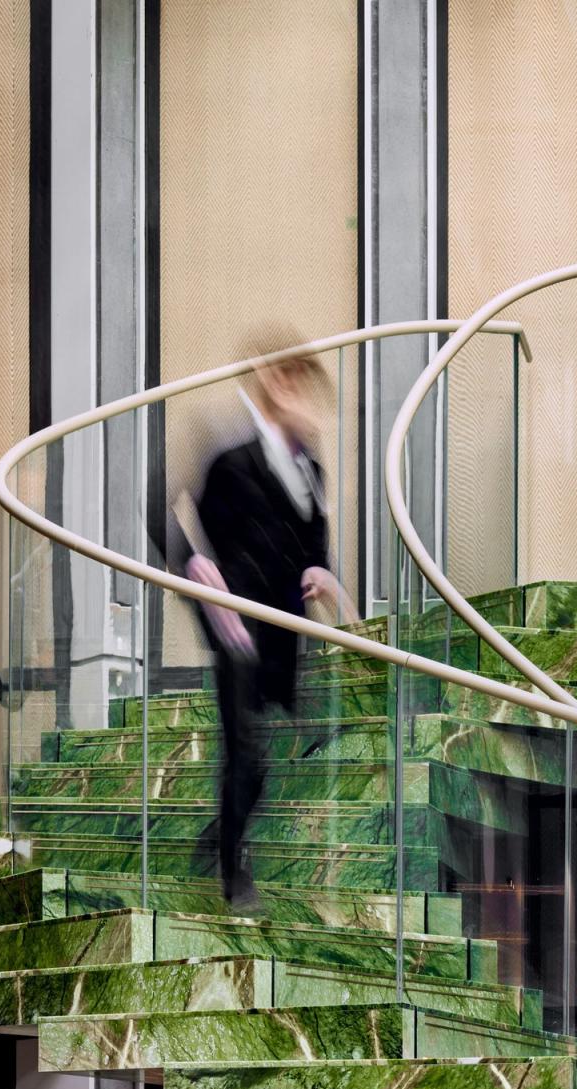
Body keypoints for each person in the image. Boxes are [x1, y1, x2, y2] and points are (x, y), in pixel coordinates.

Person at [175, 333, 355, 909]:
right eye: (301, 390)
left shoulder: (311, 475)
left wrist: (329, 585)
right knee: (246, 756)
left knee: (261, 768)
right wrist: (196, 567)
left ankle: (215, 839)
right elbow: (162, 506)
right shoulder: (233, 462)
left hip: (284, 641)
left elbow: (313, 554)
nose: (312, 408)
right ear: (277, 388)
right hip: (238, 636)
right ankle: (232, 873)